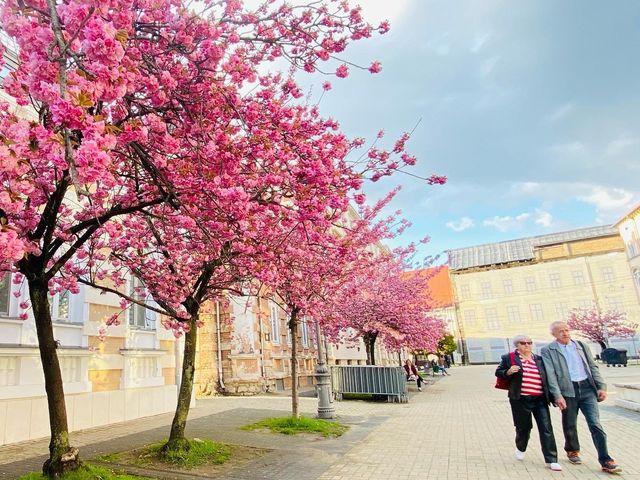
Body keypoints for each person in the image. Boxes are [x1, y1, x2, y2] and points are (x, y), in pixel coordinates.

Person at [541, 321, 621, 474]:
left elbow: (592, 366)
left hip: (587, 389)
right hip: (567, 390)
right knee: (570, 423)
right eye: (560, 331)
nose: (565, 333)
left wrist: (601, 386)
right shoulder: (548, 350)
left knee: (595, 424)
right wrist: (557, 395)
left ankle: (606, 459)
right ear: (553, 334)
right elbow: (550, 375)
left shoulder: (581, 345)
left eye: (566, 330)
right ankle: (572, 449)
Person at [495, 335, 561, 471]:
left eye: (529, 343)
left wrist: (556, 397)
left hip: (540, 399)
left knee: (546, 428)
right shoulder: (509, 358)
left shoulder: (539, 359)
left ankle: (551, 459)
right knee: (523, 428)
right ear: (517, 345)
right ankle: (521, 447)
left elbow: (549, 378)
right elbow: (499, 372)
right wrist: (508, 371)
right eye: (523, 343)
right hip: (520, 399)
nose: (527, 345)